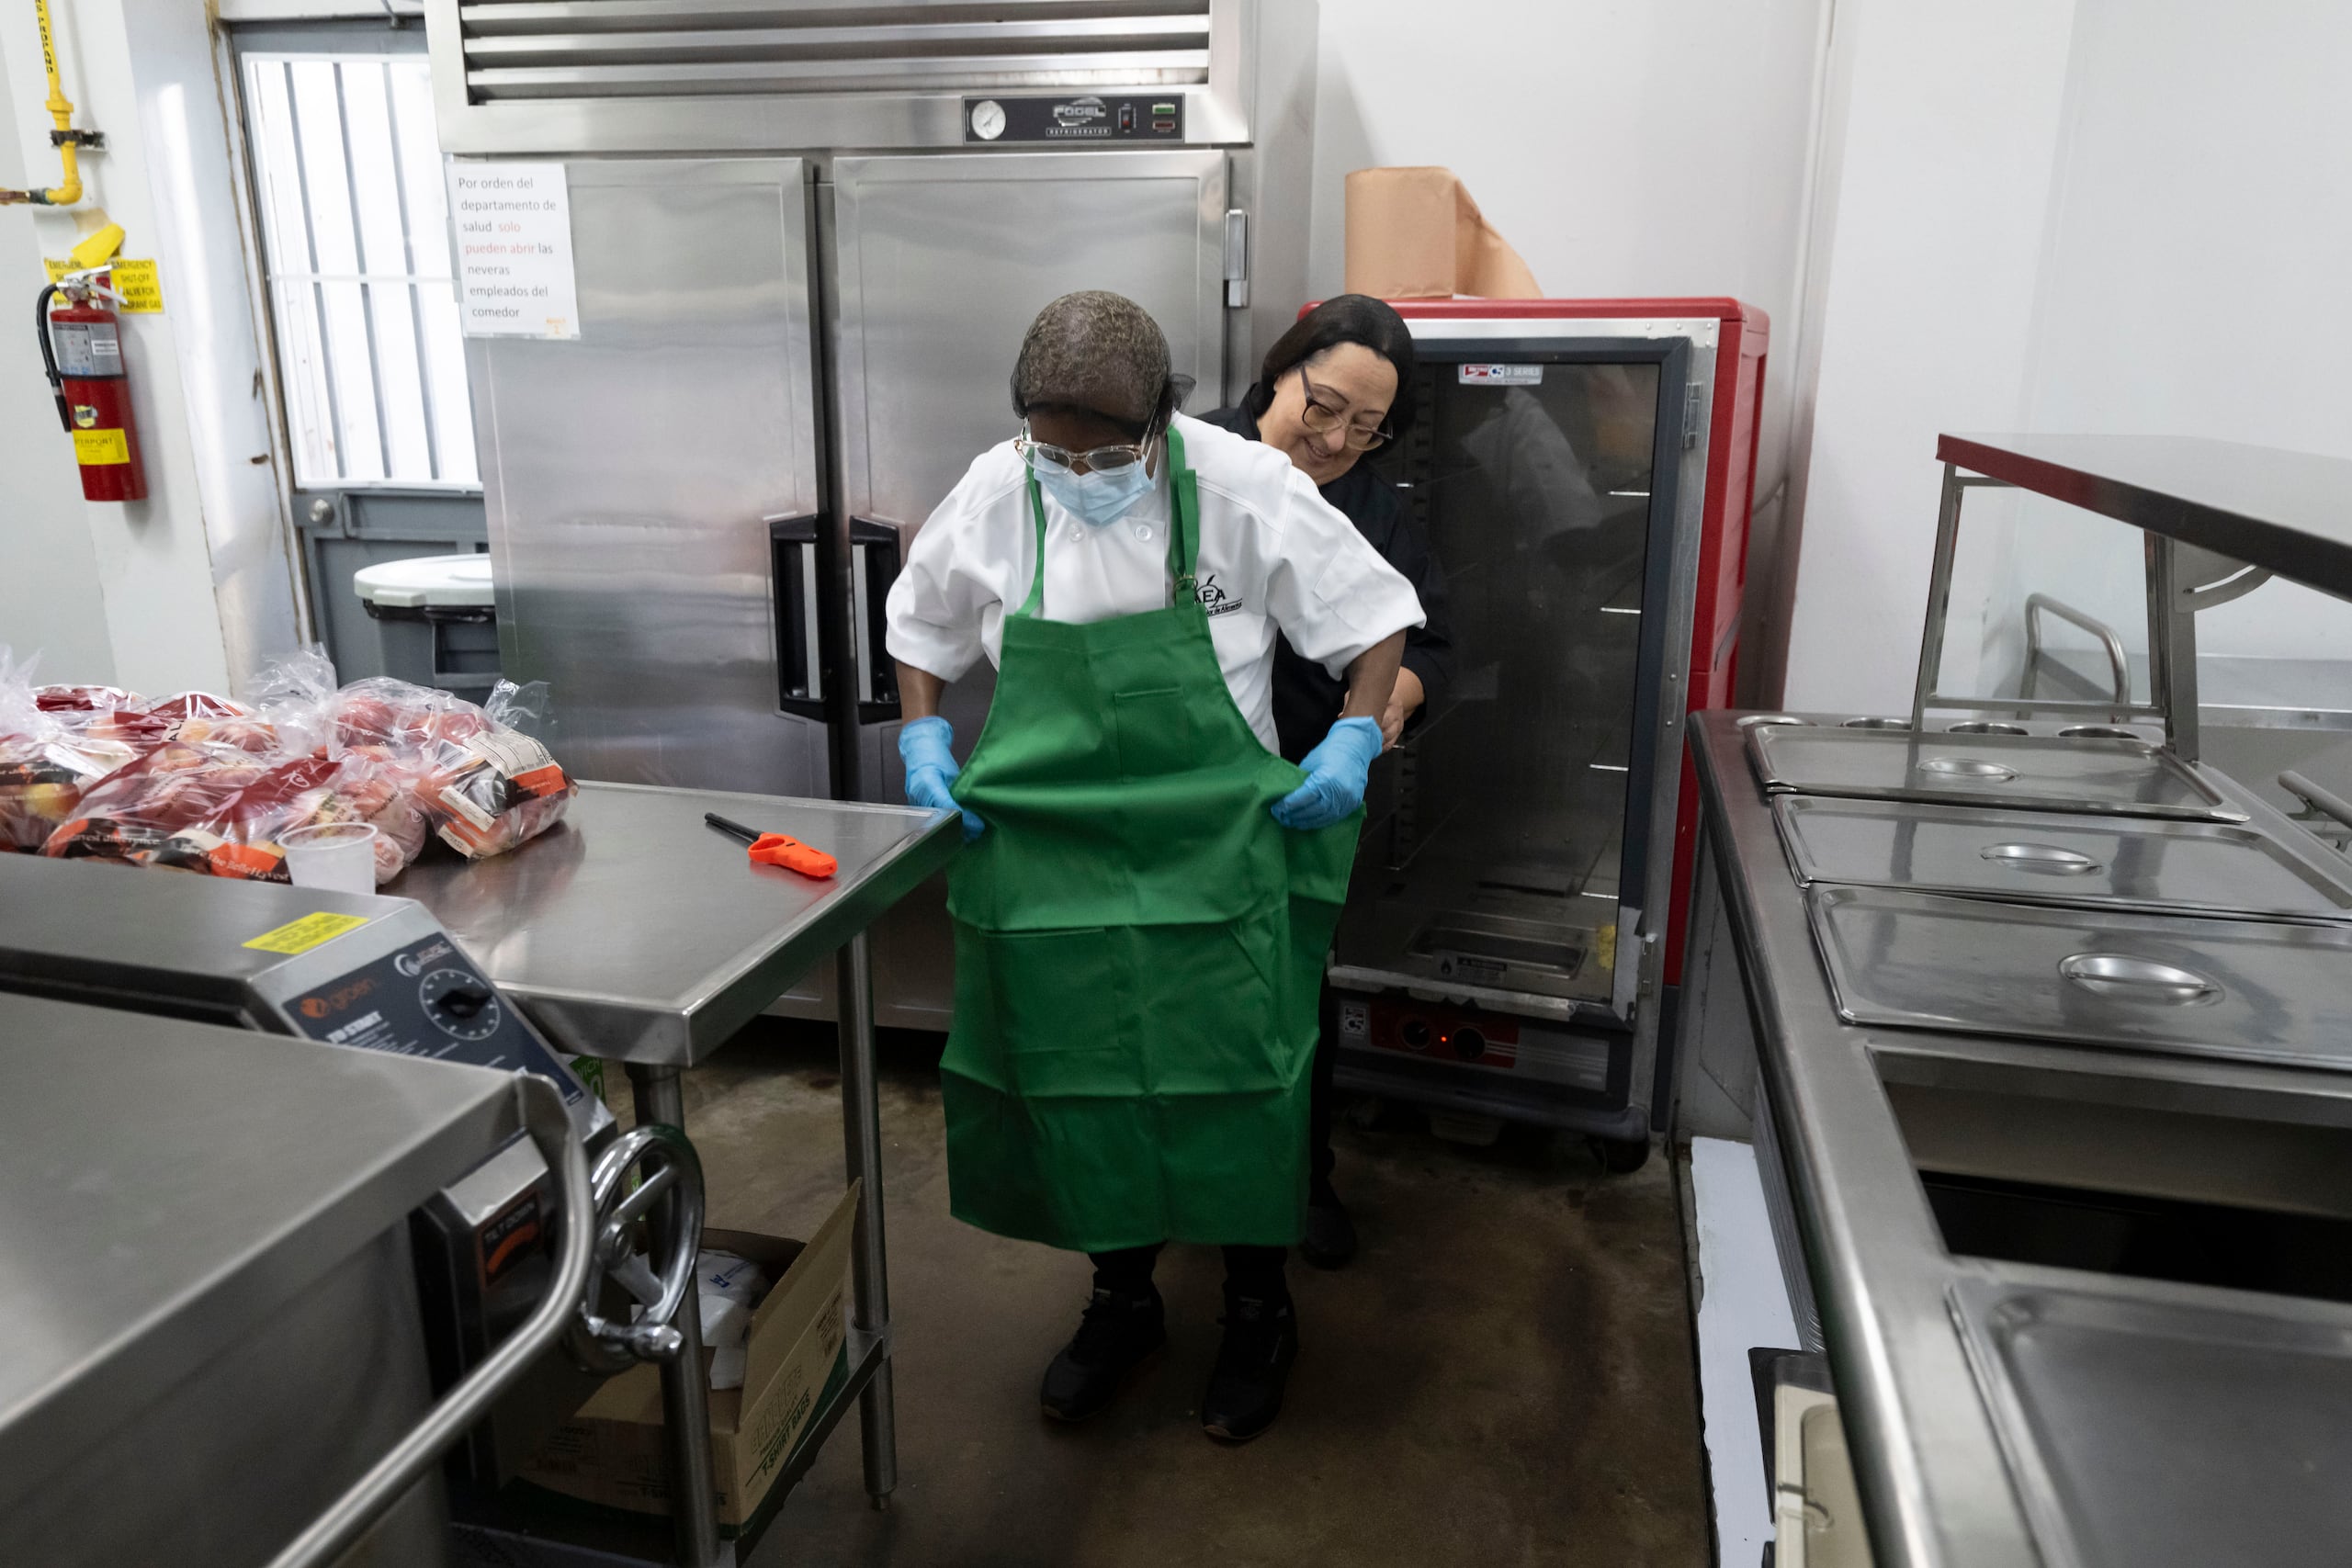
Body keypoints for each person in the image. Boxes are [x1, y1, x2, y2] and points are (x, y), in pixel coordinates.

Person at [884, 291, 1425, 1443]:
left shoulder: (1242, 485)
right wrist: (923, 735)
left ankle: (1255, 1310)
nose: (1081, 474)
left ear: (1162, 423)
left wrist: (1349, 735)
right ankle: (1121, 1302)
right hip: (1051, 857)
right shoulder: (995, 488)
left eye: (1110, 454)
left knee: (1238, 1083)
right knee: (1075, 1079)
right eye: (1056, 451)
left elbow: (1377, 619)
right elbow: (920, 627)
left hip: (1213, 852)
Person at [1202, 295, 1454, 1269]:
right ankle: (1169, 1194)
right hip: (1187, 790)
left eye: (1367, 426)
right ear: (1279, 371)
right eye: (1325, 407)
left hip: (1310, 788)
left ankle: (1300, 1182)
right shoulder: (1190, 462)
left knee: (1292, 999)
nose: (1339, 439)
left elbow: (1432, 634)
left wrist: (1391, 703)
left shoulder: (1376, 508)